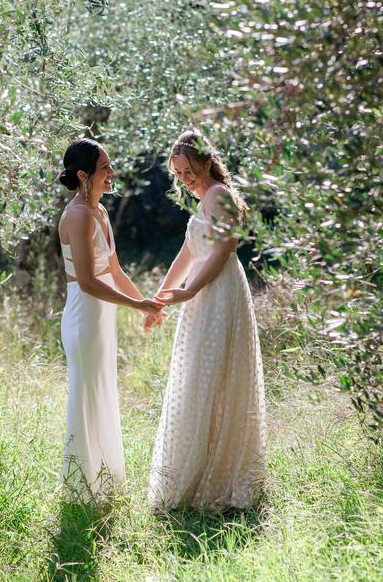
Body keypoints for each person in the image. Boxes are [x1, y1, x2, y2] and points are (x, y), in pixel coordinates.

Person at [147, 130, 267, 510]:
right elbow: (189, 251)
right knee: (201, 377)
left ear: (205, 161)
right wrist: (161, 299)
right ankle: (197, 468)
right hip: (201, 294)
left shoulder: (219, 196)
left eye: (189, 170)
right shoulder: (204, 199)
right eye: (179, 174)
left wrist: (188, 291)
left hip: (218, 292)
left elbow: (221, 252)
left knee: (213, 378)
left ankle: (219, 477)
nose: (185, 179)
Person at [57, 138, 164, 502]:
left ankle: (105, 483)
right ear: (84, 175)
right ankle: (80, 489)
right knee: (85, 396)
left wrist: (145, 304)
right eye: (105, 168)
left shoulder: (100, 212)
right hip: (83, 318)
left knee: (104, 392)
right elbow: (88, 282)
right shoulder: (77, 216)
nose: (112, 174)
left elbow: (114, 271)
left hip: (102, 318)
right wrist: (137, 306)